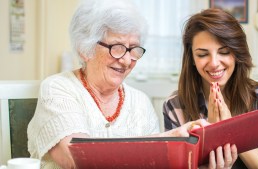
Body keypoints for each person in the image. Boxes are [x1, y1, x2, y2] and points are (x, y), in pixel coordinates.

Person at [27, 0, 237, 168]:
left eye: (134, 49)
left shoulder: (140, 102)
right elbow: (78, 159)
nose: (127, 60)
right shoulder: (59, 89)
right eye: (117, 47)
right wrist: (169, 138)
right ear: (85, 48)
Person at [163, 8, 258, 169]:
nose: (214, 63)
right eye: (202, 54)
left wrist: (231, 129)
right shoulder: (175, 106)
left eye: (224, 52)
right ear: (192, 59)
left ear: (237, 53)